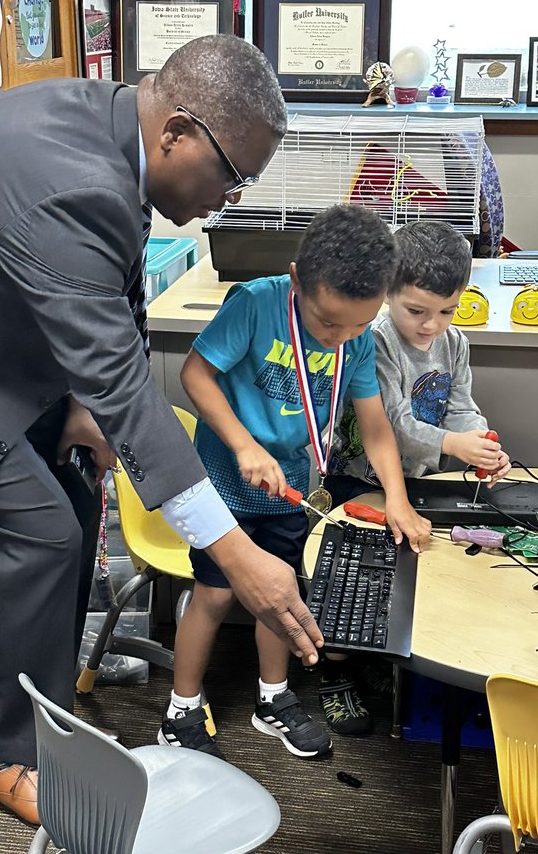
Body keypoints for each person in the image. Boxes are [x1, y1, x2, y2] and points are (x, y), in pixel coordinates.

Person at [0, 35, 324, 826]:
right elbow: (127, 390)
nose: (230, 200)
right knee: (41, 536)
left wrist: (85, 409)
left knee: (76, 495)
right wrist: (234, 552)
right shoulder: (67, 175)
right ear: (178, 133)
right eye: (232, 176)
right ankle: (7, 759)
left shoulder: (116, 127)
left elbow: (114, 281)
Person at [167, 204, 431, 758]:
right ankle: (180, 709)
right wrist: (243, 445)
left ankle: (274, 697)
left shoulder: (356, 337)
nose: (341, 337)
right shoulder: (256, 304)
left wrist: (400, 501)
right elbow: (194, 374)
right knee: (214, 595)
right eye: (328, 322)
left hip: (292, 489)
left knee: (282, 592)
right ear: (296, 281)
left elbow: (376, 424)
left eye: (358, 324)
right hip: (225, 487)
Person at [329, 218, 510, 506]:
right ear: (387, 291)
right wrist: (453, 443)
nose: (431, 324)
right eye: (416, 310)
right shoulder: (375, 341)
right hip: (354, 481)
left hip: (414, 477)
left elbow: (460, 408)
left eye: (447, 311)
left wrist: (481, 444)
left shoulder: (454, 343)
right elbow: (391, 424)